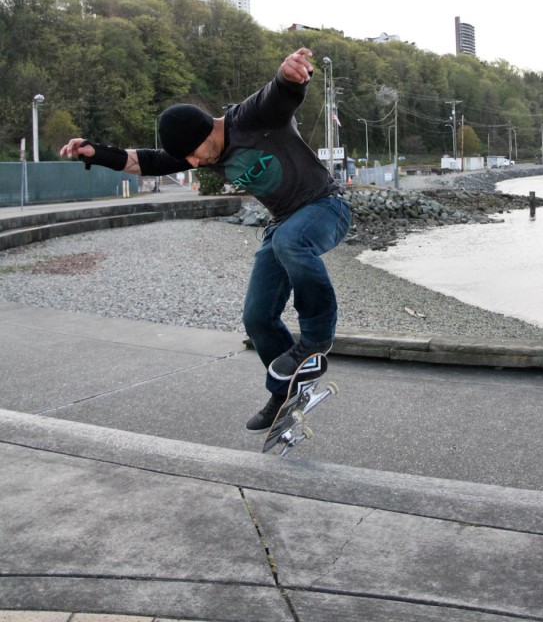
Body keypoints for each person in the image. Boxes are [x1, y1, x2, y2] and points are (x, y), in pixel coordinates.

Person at [60, 47, 352, 432]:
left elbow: (277, 94)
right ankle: (288, 388)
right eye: (190, 161)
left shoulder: (251, 117)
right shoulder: (202, 152)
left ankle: (315, 340)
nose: (196, 165)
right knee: (256, 316)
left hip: (325, 207)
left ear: (208, 131)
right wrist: (94, 152)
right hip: (284, 222)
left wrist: (290, 75)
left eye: (196, 155)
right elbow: (145, 161)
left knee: (290, 243)